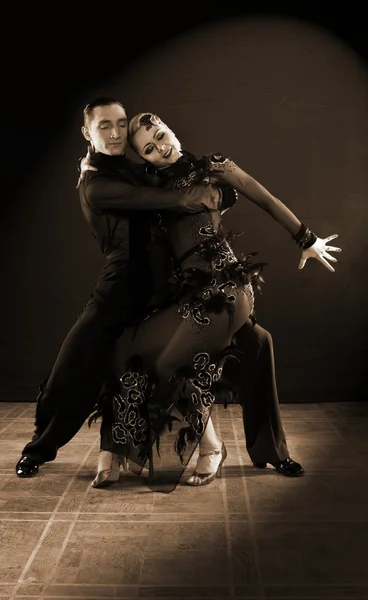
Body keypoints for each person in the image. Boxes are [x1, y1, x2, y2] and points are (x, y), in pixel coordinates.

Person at [90, 111, 341, 493]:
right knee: (129, 345)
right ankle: (116, 451)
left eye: (161, 135)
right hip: (187, 297)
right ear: (146, 159)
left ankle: (211, 447)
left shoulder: (213, 168)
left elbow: (265, 197)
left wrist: (306, 239)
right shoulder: (154, 192)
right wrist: (90, 165)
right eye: (151, 149)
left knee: (170, 361)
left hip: (227, 289)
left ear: (171, 128)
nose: (162, 147)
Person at [15, 97, 225, 478]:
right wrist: (199, 196)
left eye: (120, 124)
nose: (115, 133)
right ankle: (38, 450)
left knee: (140, 365)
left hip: (163, 291)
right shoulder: (96, 185)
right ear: (87, 132)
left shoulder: (132, 167)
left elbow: (173, 168)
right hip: (119, 294)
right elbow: (164, 198)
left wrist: (216, 188)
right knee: (71, 371)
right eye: (104, 126)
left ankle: (125, 455)